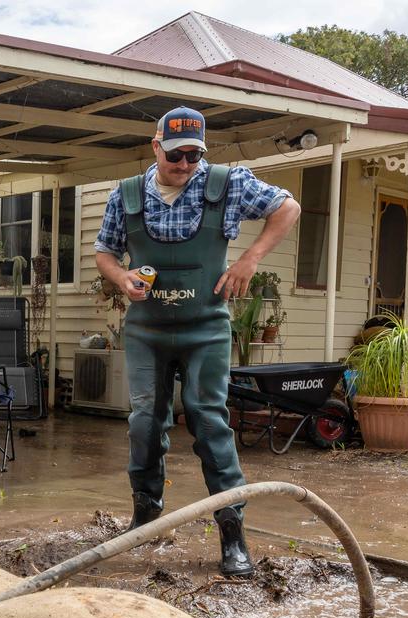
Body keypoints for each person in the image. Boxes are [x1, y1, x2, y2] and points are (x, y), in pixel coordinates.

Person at [94, 106, 301, 575]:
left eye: (194, 155)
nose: (185, 165)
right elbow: (105, 251)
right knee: (145, 421)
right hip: (147, 329)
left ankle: (232, 530)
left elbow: (288, 207)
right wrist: (121, 276)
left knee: (209, 422)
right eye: (176, 156)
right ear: (156, 147)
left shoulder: (227, 183)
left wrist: (249, 258)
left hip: (205, 328)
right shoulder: (126, 195)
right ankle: (146, 514)